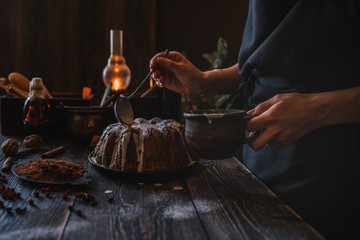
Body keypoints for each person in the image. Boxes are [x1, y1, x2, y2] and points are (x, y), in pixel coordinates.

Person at [150, 0, 360, 239]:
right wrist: (205, 81)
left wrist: (317, 109)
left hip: (330, 170)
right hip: (255, 162)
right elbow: (266, 59)